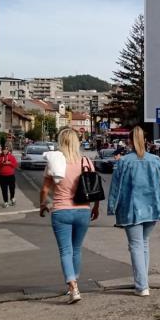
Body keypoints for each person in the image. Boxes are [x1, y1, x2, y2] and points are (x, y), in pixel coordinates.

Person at [108, 126, 160, 296]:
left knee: (136, 245)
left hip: (131, 210)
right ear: (145, 140)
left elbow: (115, 188)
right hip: (152, 208)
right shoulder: (155, 160)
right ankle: (144, 283)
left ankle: (142, 286)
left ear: (129, 141)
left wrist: (112, 207)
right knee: (144, 243)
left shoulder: (124, 161)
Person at [40, 128, 100, 304]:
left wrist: (43, 204)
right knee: (76, 249)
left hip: (61, 211)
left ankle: (73, 286)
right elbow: (94, 187)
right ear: (77, 142)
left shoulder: (54, 162)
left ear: (60, 142)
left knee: (65, 251)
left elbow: (45, 189)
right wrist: (96, 207)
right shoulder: (86, 161)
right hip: (83, 211)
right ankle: (75, 284)